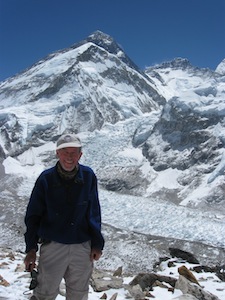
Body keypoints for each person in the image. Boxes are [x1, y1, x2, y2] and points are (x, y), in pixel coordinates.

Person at [24, 133, 104, 300]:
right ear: (57, 154)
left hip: (82, 247)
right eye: (65, 152)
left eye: (73, 152)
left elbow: (93, 212)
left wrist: (97, 243)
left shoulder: (88, 177)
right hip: (53, 245)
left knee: (78, 294)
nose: (69, 157)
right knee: (44, 293)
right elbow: (33, 215)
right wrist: (31, 248)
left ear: (80, 155)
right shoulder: (46, 179)